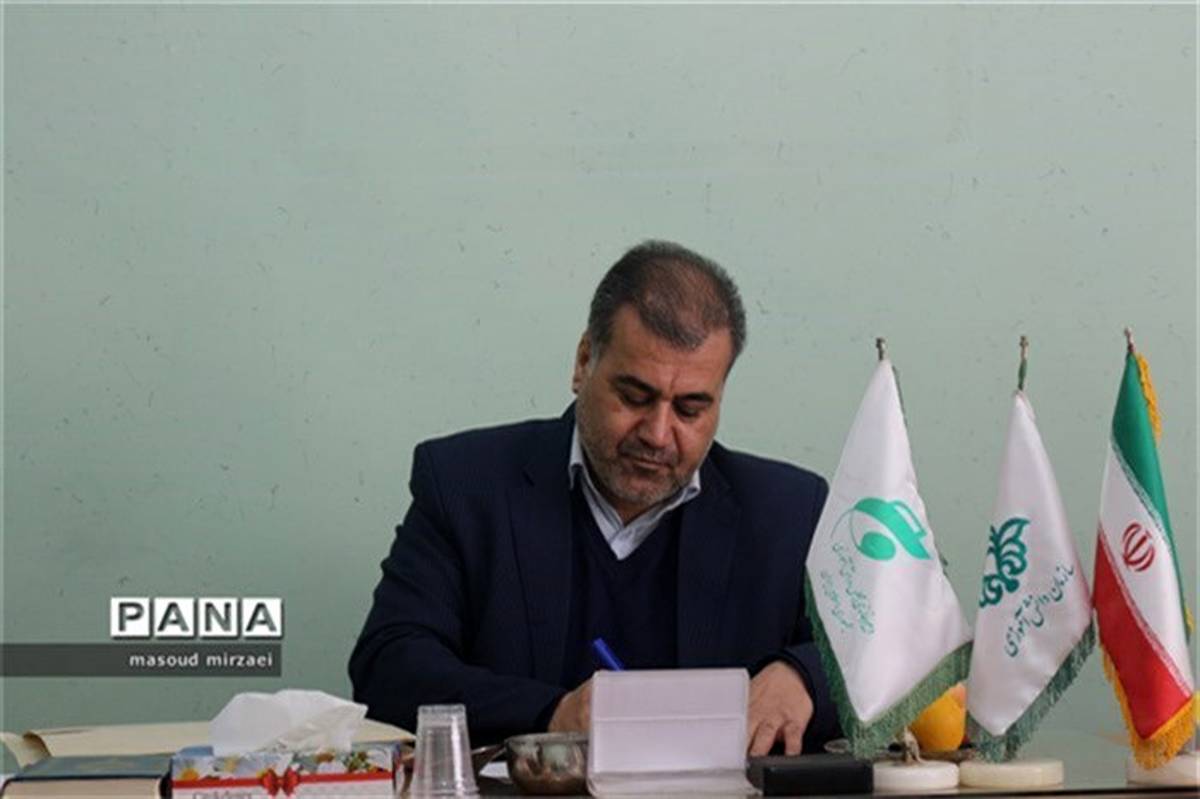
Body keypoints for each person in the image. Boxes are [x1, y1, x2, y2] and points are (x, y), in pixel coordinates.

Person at [349, 241, 839, 754]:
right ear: (584, 362)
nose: (658, 434)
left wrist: (804, 675)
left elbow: (885, 660)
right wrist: (552, 714)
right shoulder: (465, 485)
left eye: (690, 409)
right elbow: (389, 667)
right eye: (634, 397)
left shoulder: (788, 511)